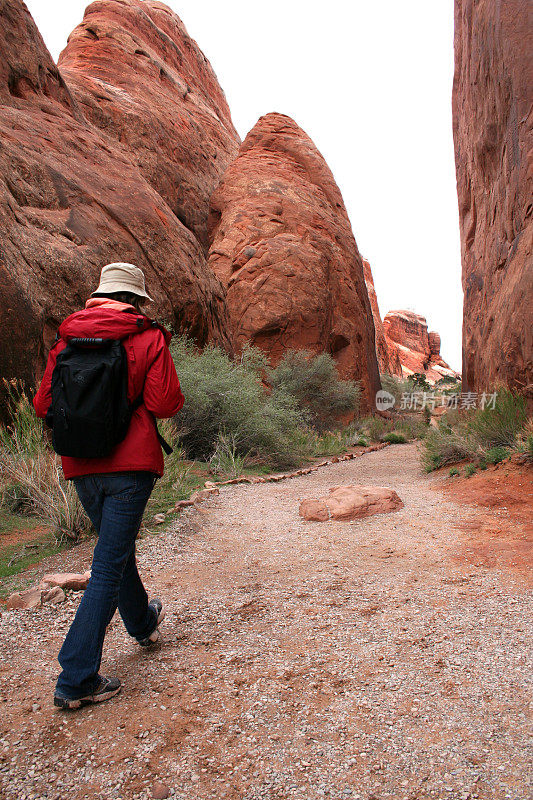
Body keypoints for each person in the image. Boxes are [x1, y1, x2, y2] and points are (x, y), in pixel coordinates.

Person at [33, 262, 184, 710]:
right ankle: (76, 678)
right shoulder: (148, 335)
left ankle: (142, 622)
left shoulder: (66, 338)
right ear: (134, 299)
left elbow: (43, 403)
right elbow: (165, 402)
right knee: (108, 565)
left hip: (81, 466)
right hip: (130, 467)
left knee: (114, 554)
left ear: (99, 295)